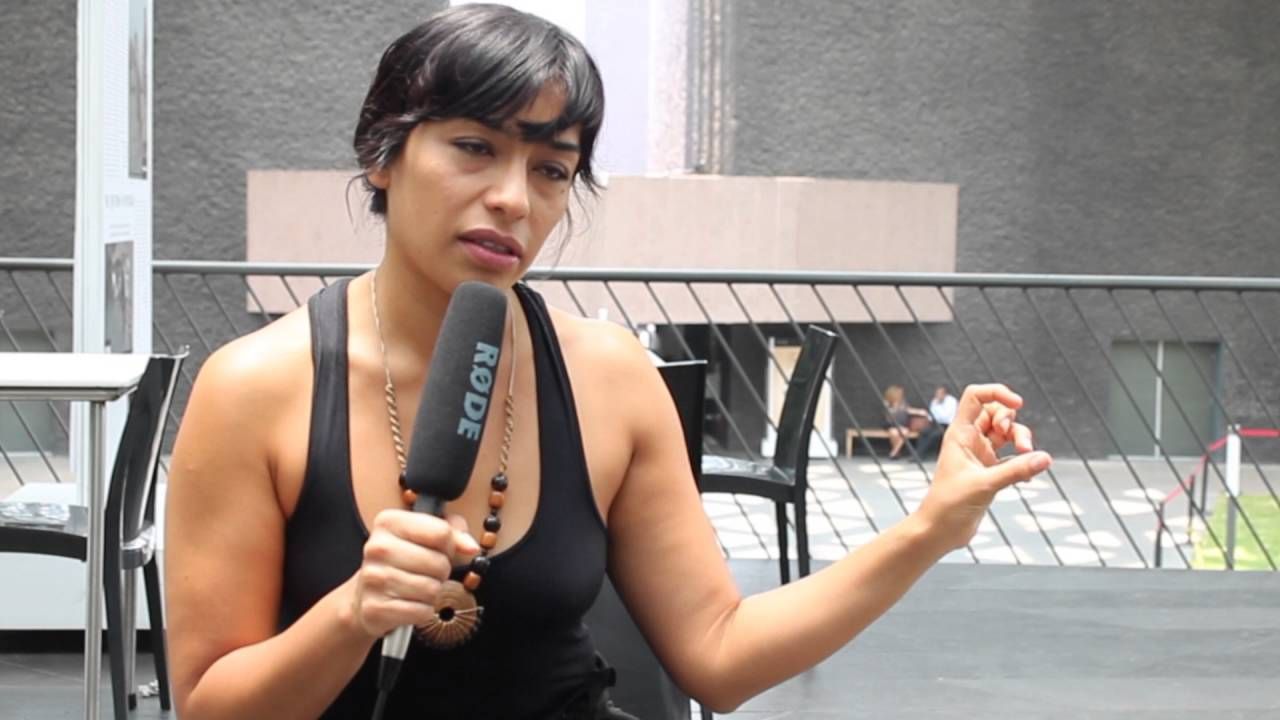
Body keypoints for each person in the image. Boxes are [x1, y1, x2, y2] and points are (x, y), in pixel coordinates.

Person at [163, 5, 1053, 719]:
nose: (512, 199)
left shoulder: (611, 378)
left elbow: (721, 654)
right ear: (382, 155)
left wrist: (930, 528)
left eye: (551, 170)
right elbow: (207, 706)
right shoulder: (255, 390)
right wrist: (351, 614)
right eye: (474, 147)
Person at [881, 384, 931, 459]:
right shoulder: (887, 402)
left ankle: (894, 452)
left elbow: (908, 410)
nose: (902, 394)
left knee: (905, 432)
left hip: (902, 425)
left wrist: (919, 411)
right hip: (891, 424)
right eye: (900, 392)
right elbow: (890, 415)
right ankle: (896, 452)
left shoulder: (903, 402)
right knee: (894, 433)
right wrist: (897, 407)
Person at [916, 385, 959, 459]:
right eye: (937, 393)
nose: (937, 395)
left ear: (945, 394)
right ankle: (918, 454)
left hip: (948, 425)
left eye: (939, 393)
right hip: (935, 423)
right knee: (923, 432)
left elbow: (946, 417)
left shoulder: (951, 401)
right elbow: (930, 415)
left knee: (934, 435)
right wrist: (934, 416)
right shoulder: (935, 401)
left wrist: (937, 410)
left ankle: (921, 455)